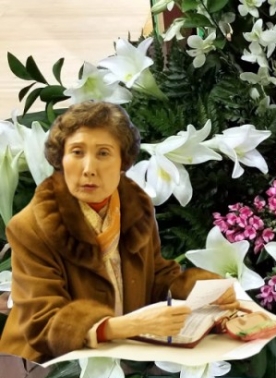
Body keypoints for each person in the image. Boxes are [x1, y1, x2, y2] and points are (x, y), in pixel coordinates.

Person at [0, 101, 237, 363]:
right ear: (60, 160)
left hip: (121, 353)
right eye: (77, 152)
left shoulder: (136, 208)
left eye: (103, 153)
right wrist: (127, 326)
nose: (88, 168)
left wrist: (205, 288)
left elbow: (156, 277)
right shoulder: (30, 228)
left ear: (123, 161)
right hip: (42, 366)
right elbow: (43, 323)